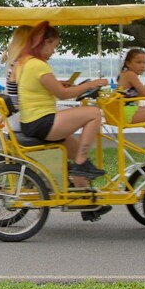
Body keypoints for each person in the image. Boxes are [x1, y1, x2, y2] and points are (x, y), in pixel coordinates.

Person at [15, 22, 108, 181]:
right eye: (54, 46)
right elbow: (63, 95)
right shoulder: (39, 65)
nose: (54, 51)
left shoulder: (26, 63)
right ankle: (80, 166)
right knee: (94, 114)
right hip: (42, 123)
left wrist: (67, 86)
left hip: (31, 122)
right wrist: (90, 85)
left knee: (80, 152)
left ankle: (85, 199)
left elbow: (44, 87)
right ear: (46, 42)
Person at [0, 25, 32, 145]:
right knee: (9, 110)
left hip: (11, 89)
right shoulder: (21, 60)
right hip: (17, 93)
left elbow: (2, 61)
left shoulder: (12, 55)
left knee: (6, 111)